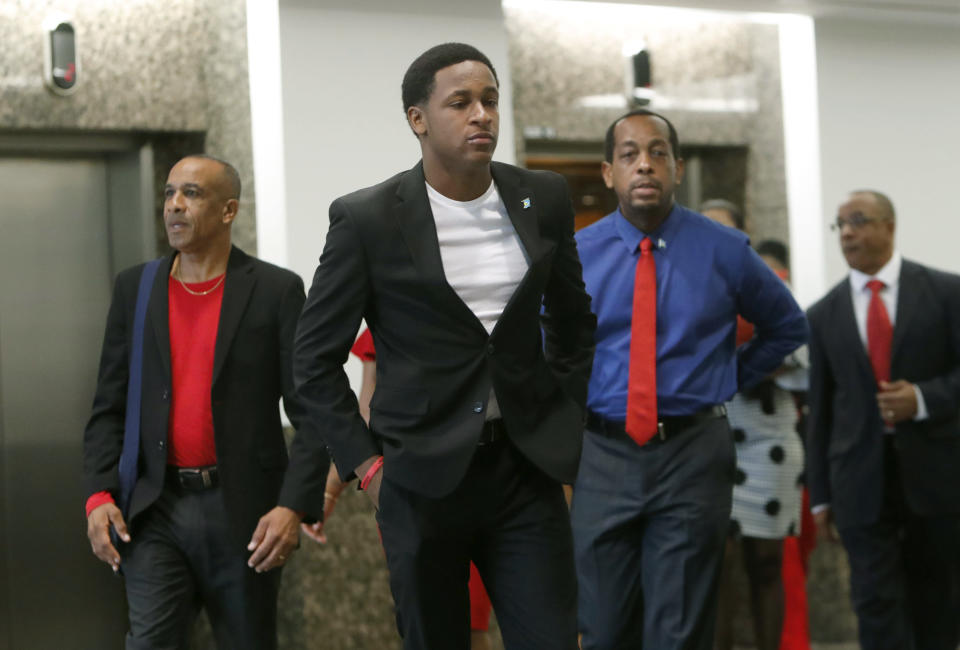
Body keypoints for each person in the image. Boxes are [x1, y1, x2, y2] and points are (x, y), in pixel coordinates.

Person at [285, 43, 596, 650]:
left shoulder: (543, 197)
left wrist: (564, 421)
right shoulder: (368, 218)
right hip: (417, 478)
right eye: (460, 102)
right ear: (417, 119)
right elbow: (313, 358)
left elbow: (573, 323)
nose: (481, 114)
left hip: (523, 471)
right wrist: (367, 466)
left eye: (489, 101)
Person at [571, 109, 807, 650]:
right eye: (629, 154)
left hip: (691, 454)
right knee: (603, 627)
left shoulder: (725, 249)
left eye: (658, 153)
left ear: (677, 167)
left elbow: (787, 325)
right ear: (609, 173)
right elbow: (544, 348)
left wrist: (728, 377)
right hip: (603, 453)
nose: (645, 165)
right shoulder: (576, 256)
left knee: (677, 631)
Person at [83, 155, 328, 649]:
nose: (175, 205)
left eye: (191, 194)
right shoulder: (137, 289)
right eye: (170, 193)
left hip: (243, 511)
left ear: (228, 210)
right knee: (150, 641)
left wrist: (291, 506)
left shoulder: (276, 291)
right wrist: (98, 495)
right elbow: (109, 404)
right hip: (155, 506)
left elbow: (312, 411)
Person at [807, 189, 960, 650]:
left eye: (859, 220)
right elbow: (821, 411)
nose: (848, 233)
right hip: (859, 481)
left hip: (937, 480)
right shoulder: (823, 314)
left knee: (937, 605)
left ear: (889, 226)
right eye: (841, 225)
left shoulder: (946, 293)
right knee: (874, 604)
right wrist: (820, 496)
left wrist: (924, 397)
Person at [310, 328, 496, 650]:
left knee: (463, 622)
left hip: (480, 479)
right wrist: (338, 486)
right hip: (410, 486)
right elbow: (367, 408)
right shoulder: (391, 300)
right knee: (438, 622)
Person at [701, 202, 807, 650]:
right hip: (706, 436)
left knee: (765, 566)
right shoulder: (684, 286)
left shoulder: (766, 283)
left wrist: (735, 365)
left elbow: (800, 354)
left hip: (767, 439)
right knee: (716, 570)